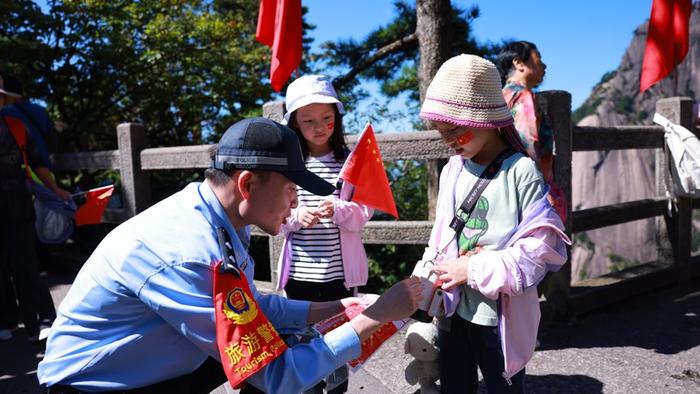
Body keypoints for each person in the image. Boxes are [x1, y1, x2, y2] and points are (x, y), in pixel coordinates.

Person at [37, 117, 422, 393]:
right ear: (248, 183)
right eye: (291, 189)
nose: (298, 202)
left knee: (288, 341)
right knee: (284, 365)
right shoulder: (189, 252)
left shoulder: (219, 217)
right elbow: (275, 376)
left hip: (148, 362)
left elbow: (246, 309)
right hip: (93, 384)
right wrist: (373, 318)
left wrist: (336, 308)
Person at [418, 54, 570, 393]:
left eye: (454, 131)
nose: (449, 142)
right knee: (455, 385)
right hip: (452, 309)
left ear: (484, 118)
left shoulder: (520, 172)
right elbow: (441, 236)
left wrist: (471, 270)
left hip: (498, 319)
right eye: (443, 133)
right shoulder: (453, 169)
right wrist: (422, 281)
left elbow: (540, 252)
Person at [276, 75, 373, 394]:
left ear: (337, 117)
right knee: (300, 342)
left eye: (327, 118)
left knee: (338, 340)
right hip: (300, 275)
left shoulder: (350, 162)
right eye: (309, 121)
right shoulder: (289, 165)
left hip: (338, 276)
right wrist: (295, 215)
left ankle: (337, 389)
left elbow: (363, 214)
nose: (319, 127)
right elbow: (276, 214)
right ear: (294, 124)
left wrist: (339, 210)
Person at [0, 74, 70, 343]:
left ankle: (41, 319)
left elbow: (38, 161)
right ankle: (5, 319)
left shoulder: (16, 126)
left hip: (17, 203)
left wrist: (54, 189)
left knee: (25, 263)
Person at [496, 41, 567, 222]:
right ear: (519, 63)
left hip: (502, 185)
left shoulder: (502, 96)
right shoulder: (522, 96)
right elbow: (527, 145)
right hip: (526, 192)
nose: (544, 65)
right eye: (538, 58)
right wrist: (540, 192)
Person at [0, 75, 55, 170]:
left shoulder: (6, 113)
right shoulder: (40, 110)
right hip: (44, 164)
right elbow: (49, 132)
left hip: (21, 170)